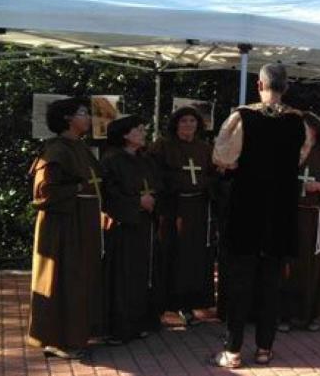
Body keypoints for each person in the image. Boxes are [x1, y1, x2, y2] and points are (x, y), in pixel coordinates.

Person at [209, 63, 306, 369]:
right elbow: (300, 157)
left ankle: (233, 350)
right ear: (285, 87)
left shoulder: (242, 117)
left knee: (240, 281)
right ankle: (264, 348)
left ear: (259, 85)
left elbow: (222, 158)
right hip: (281, 212)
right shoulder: (298, 121)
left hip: (247, 209)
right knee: (271, 283)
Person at [26, 97, 103, 360]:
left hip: (82, 224)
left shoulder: (79, 147)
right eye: (83, 113)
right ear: (68, 118)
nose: (88, 118)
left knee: (79, 279)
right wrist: (78, 188)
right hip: (63, 227)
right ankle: (57, 339)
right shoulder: (55, 150)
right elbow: (43, 193)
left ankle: (76, 335)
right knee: (62, 279)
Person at [149, 107, 216, 328]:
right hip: (172, 209)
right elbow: (153, 174)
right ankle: (163, 305)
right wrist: (174, 185)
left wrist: (207, 185)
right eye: (184, 121)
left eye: (192, 121)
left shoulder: (204, 148)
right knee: (171, 255)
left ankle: (189, 304)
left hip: (197, 210)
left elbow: (213, 175)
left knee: (193, 258)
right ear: (176, 124)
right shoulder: (162, 146)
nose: (188, 125)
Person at [278, 113, 320, 332]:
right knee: (287, 266)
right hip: (289, 218)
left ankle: (309, 315)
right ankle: (284, 315)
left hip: (316, 221)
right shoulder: (286, 152)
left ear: (314, 130)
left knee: (313, 268)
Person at [100, 115, 160, 344]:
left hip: (145, 224)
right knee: (122, 276)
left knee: (142, 274)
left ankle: (139, 322)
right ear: (125, 134)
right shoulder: (111, 160)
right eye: (139, 129)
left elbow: (157, 185)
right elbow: (109, 193)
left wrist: (152, 201)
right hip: (124, 226)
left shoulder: (145, 159)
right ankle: (120, 327)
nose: (144, 133)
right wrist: (137, 202)